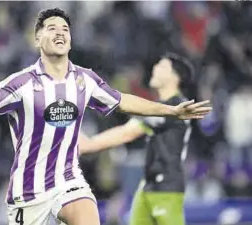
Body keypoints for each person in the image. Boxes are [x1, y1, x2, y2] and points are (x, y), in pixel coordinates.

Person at [0, 8, 211, 225]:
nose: (60, 32)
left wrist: (170, 109)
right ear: (38, 39)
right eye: (52, 28)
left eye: (65, 28)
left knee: (88, 213)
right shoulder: (21, 84)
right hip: (27, 195)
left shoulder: (85, 80)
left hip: (68, 182)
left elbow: (124, 101)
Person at [78, 53, 197, 225]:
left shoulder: (175, 108)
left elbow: (127, 132)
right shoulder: (160, 108)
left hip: (166, 188)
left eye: (162, 66)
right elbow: (129, 128)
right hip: (148, 186)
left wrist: (89, 145)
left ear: (175, 77)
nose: (155, 68)